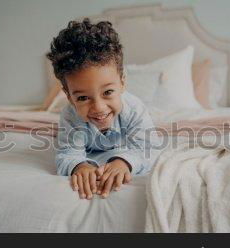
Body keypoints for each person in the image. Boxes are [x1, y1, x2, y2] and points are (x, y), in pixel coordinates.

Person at [46, 18, 159, 200]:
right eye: (82, 98)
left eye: (107, 92)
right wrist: (79, 166)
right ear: (69, 97)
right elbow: (67, 153)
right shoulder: (70, 115)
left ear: (122, 83)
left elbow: (149, 149)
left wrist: (123, 162)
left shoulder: (135, 109)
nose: (98, 108)